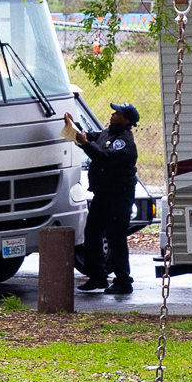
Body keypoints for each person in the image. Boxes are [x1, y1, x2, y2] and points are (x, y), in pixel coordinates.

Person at [68, 102, 142, 294]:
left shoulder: (124, 141)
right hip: (102, 195)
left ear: (126, 119)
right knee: (92, 234)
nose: (112, 115)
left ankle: (123, 282)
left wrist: (85, 144)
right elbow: (89, 136)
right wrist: (72, 125)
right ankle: (98, 277)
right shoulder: (107, 133)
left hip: (119, 196)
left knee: (116, 238)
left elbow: (104, 158)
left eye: (117, 113)